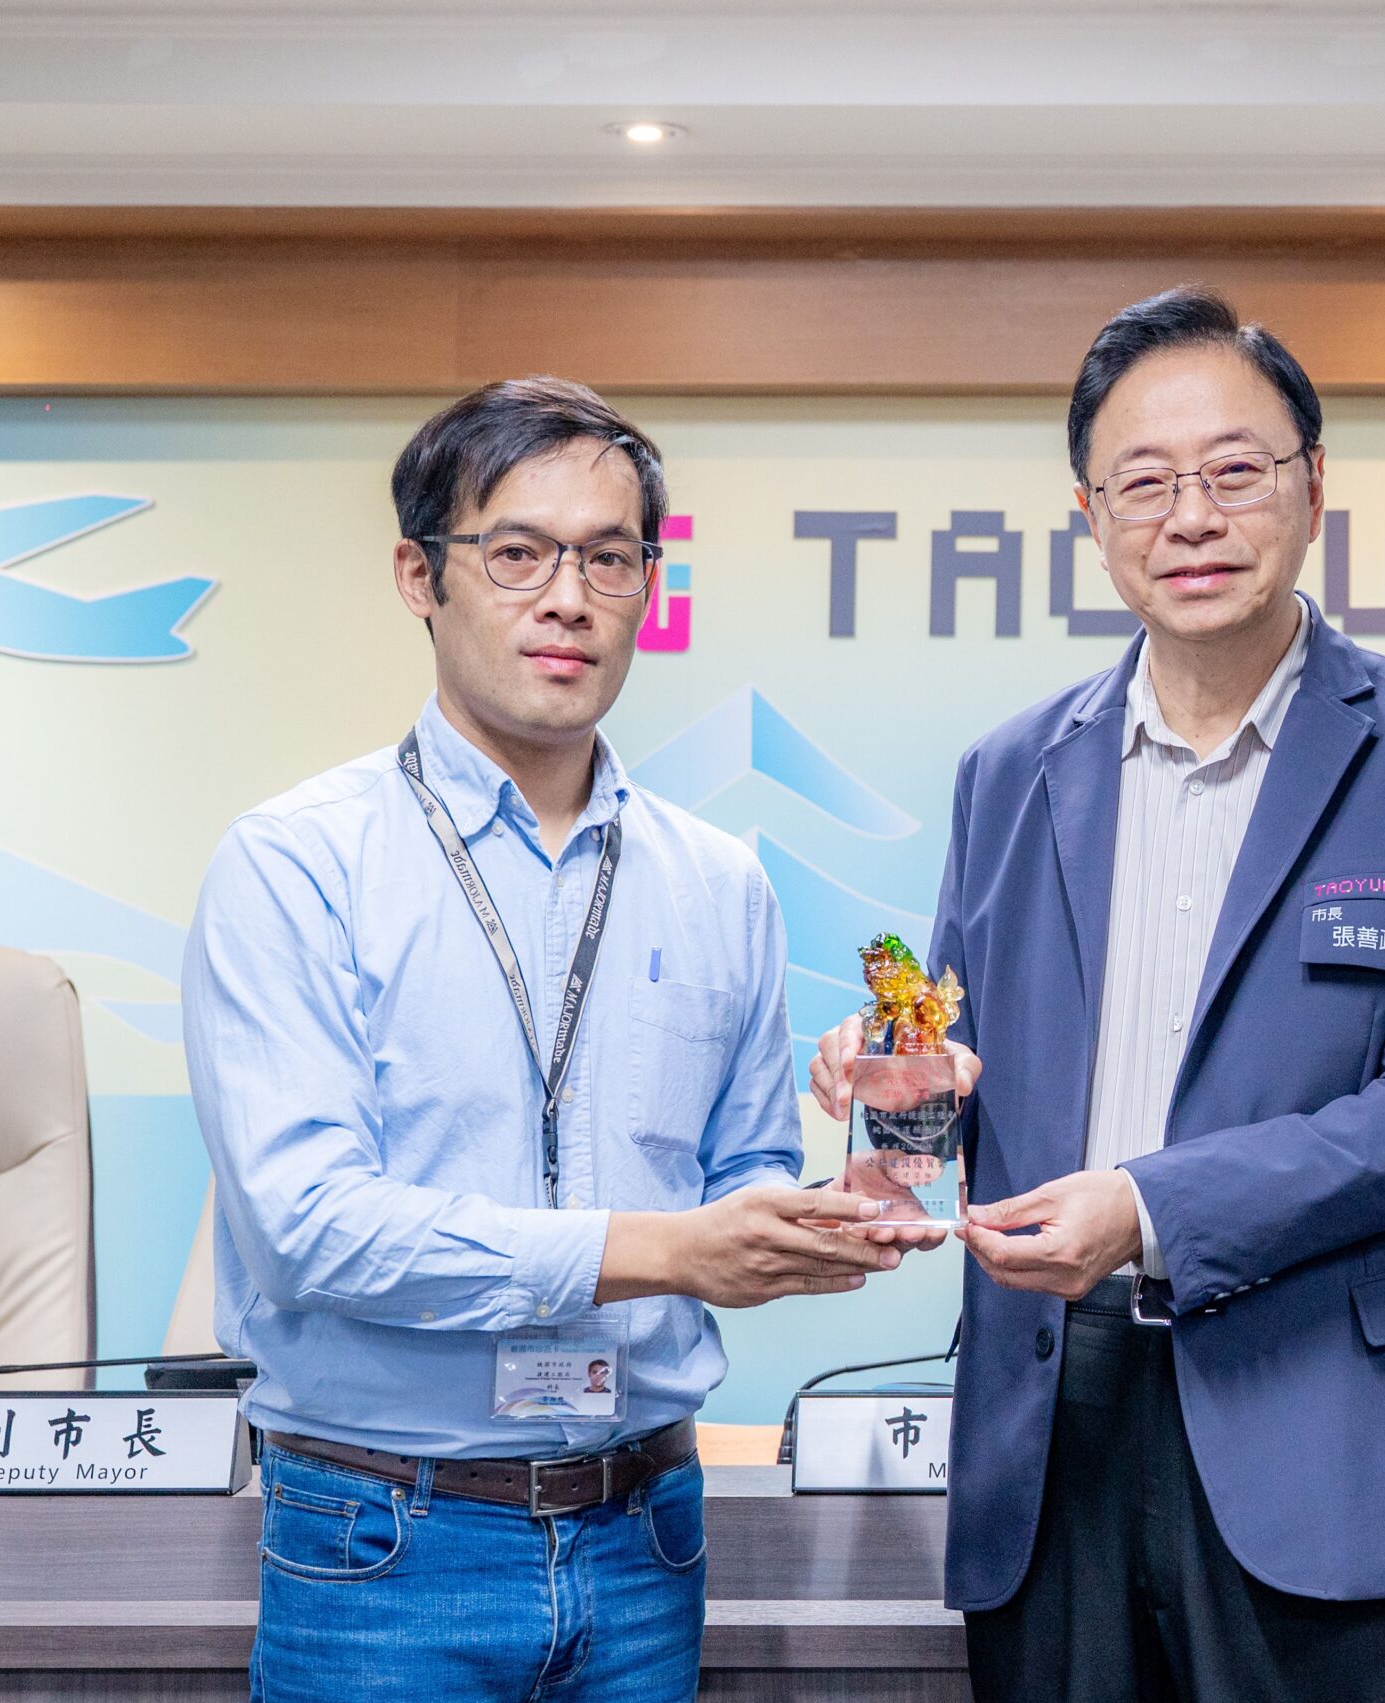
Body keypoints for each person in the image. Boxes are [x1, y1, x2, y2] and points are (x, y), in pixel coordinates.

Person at [811, 287, 1385, 1702]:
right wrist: (894, 1090)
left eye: (1233, 471)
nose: (1190, 517)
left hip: (1322, 1424)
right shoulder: (1011, 769)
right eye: (1143, 482)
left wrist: (1149, 1206)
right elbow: (959, 1058)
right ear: (1089, 516)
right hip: (1054, 1421)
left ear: (1313, 485)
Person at [183, 377, 923, 1703]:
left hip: (645, 1527)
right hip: (384, 1535)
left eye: (609, 557)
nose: (570, 598)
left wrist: (841, 1198)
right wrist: (665, 1249)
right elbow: (307, 1225)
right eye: (518, 552)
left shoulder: (720, 882)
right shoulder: (297, 862)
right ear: (420, 575)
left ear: (648, 585)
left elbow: (740, 1173)